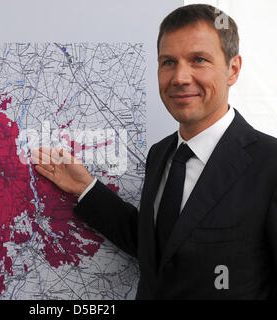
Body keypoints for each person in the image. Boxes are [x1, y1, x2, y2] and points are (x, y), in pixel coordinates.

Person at [31, 4, 277, 299]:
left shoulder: (270, 164)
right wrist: (86, 188)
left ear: (233, 69)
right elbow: (158, 250)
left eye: (198, 60)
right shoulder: (161, 154)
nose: (180, 77)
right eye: (168, 62)